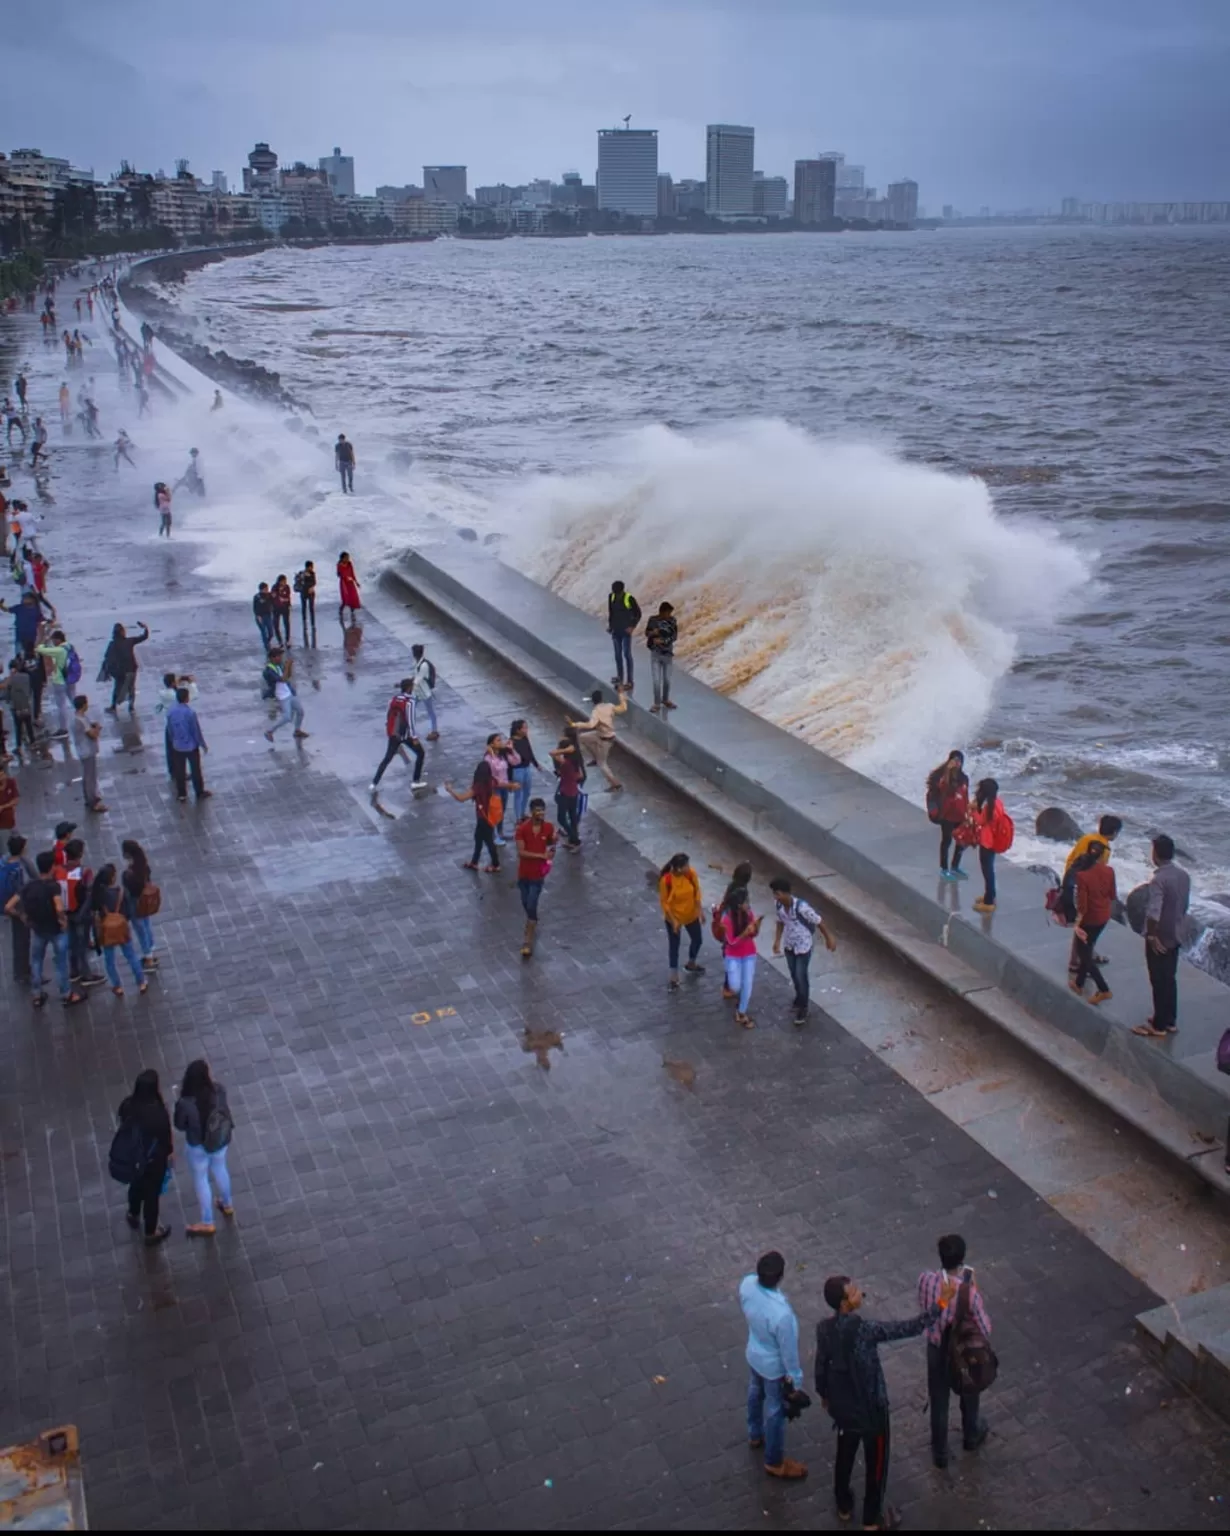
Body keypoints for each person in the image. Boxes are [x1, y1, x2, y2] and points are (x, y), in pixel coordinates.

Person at [816, 1273, 956, 1532]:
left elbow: (821, 1366)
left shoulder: (824, 1329)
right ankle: (871, 1519)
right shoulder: (866, 1330)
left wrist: (824, 1394)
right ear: (845, 1303)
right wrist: (942, 1303)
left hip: (844, 1411)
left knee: (844, 1456)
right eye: (855, 1291)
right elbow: (910, 1327)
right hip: (872, 1412)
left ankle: (843, 1504)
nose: (860, 1293)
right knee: (876, 1465)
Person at [918, 1234, 991, 1469]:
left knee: (939, 1401)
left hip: (936, 1347)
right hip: (962, 1351)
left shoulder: (925, 1280)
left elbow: (924, 1308)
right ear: (962, 1259)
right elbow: (984, 1328)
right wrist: (974, 1290)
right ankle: (971, 1434)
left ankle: (940, 1452)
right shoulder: (967, 1291)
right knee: (969, 1392)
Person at [739, 1251, 807, 1481]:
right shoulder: (781, 1315)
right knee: (775, 1409)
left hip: (754, 1353)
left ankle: (754, 1433)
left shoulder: (747, 1285)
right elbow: (789, 1353)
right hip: (773, 1366)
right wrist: (795, 1380)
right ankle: (774, 1460)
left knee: (754, 1391)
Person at [4, 850, 85, 1008]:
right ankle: (66, 993)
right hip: (55, 930)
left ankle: (36, 994)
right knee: (61, 962)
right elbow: (59, 907)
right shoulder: (52, 887)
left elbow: (8, 906)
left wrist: (22, 916)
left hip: (38, 929)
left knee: (36, 961)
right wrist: (63, 921)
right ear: (52, 867)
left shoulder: (29, 885)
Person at [1133, 833, 1191, 1039]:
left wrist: (1151, 936)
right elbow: (1184, 905)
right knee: (1170, 978)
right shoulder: (1184, 876)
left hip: (1160, 937)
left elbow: (1153, 912)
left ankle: (1158, 1025)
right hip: (1177, 933)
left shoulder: (1159, 879)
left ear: (1155, 854)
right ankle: (1170, 1020)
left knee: (1158, 979)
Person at [174, 1059, 235, 1237]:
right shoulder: (219, 1090)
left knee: (201, 1180)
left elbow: (179, 1125)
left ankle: (207, 1222)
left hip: (197, 1146)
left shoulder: (185, 1102)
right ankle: (227, 1204)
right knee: (220, 1168)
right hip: (219, 1141)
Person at [115, 1069, 173, 1247]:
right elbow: (165, 1139)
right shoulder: (158, 1113)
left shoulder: (127, 1105)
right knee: (151, 1195)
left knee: (136, 1185)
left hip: (134, 1157)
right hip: (154, 1161)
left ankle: (133, 1213)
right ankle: (151, 1231)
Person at [770, 875, 837, 1025]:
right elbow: (780, 922)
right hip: (789, 945)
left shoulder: (801, 907)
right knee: (794, 974)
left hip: (803, 945)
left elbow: (819, 921)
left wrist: (829, 938)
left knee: (801, 975)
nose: (776, 897)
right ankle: (799, 997)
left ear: (786, 893)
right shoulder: (779, 906)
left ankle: (803, 1007)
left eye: (778, 893)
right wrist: (777, 941)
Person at [1069, 840, 1115, 1004]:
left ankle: (1104, 989)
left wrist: (1077, 923)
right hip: (1104, 916)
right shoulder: (1109, 871)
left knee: (1084, 954)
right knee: (1088, 947)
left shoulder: (1083, 876)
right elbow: (1112, 894)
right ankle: (1079, 983)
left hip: (1090, 919)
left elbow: (1082, 905)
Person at [91, 863, 147, 996]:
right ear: (112, 878)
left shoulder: (98, 895)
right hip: (121, 927)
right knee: (131, 955)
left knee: (109, 960)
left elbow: (93, 911)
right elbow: (128, 912)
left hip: (106, 930)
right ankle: (141, 982)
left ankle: (117, 986)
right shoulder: (120, 892)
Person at [514, 797, 557, 958]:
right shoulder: (522, 830)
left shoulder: (548, 827)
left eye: (542, 810)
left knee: (532, 903)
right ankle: (532, 920)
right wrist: (541, 855)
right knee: (526, 903)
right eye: (537, 811)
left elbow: (551, 844)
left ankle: (527, 939)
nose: (540, 813)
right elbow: (521, 852)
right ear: (532, 812)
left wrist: (553, 845)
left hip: (537, 875)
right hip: (524, 874)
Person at [447, 753, 502, 873]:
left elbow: (461, 798)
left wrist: (450, 790)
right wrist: (511, 785)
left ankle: (496, 864)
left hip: (483, 817)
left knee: (488, 841)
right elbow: (501, 783)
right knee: (478, 838)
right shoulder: (491, 782)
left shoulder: (478, 786)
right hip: (490, 816)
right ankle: (474, 862)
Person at [658, 852, 705, 990]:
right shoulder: (666, 881)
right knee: (674, 945)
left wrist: (700, 911)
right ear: (678, 868)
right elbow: (665, 903)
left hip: (690, 915)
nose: (689, 867)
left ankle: (691, 962)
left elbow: (697, 892)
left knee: (698, 939)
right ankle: (673, 975)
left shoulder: (690, 874)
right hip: (674, 918)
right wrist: (673, 921)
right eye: (686, 865)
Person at [567, 687, 628, 793]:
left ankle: (615, 784)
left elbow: (591, 724)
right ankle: (595, 757)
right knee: (581, 738)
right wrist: (621, 694)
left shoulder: (596, 711)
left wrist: (575, 724)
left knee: (602, 764)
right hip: (601, 734)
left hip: (605, 739)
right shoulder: (609, 706)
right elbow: (623, 708)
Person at [370, 679, 426, 792]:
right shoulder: (410, 701)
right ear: (409, 688)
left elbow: (389, 714)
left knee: (387, 758)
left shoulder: (394, 699)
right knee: (421, 753)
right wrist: (414, 737)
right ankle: (415, 781)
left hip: (393, 734)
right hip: (405, 735)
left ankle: (374, 783)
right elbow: (410, 721)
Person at [719, 886, 761, 1028]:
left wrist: (756, 927)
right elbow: (731, 942)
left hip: (749, 953)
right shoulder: (727, 919)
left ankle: (742, 1012)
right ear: (738, 904)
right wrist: (745, 933)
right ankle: (740, 1001)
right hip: (733, 955)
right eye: (745, 901)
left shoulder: (748, 914)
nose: (748, 903)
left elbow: (754, 934)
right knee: (735, 986)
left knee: (747, 984)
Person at [926, 750, 970, 880]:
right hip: (946, 814)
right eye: (955, 760)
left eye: (960, 761)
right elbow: (943, 788)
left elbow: (965, 796)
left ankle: (955, 866)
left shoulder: (964, 778)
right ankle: (944, 869)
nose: (957, 763)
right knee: (947, 841)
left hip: (960, 814)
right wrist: (947, 772)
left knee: (961, 840)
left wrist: (968, 813)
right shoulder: (941, 777)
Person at [165, 687, 211, 802]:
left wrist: (173, 740)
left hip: (177, 746)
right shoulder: (190, 713)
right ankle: (199, 791)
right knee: (195, 770)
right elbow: (195, 731)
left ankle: (182, 794)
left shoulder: (171, 712)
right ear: (187, 698)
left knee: (180, 770)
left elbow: (169, 729)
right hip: (191, 746)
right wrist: (202, 744)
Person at [1, 833, 37, 984]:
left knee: (20, 939)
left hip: (6, 903)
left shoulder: (3, 861)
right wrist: (19, 913)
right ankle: (22, 972)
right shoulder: (19, 870)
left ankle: (22, 969)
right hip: (18, 907)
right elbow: (22, 890)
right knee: (22, 940)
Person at [969, 778, 1008, 915]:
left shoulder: (989, 809)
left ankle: (989, 902)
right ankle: (989, 895)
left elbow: (980, 821)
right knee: (989, 870)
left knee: (987, 871)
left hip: (987, 843)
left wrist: (973, 810)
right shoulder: (998, 803)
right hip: (993, 842)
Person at [121, 839, 159, 970]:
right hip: (144, 902)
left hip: (134, 903)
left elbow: (129, 891)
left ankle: (148, 958)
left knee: (140, 929)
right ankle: (151, 951)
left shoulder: (129, 874)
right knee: (147, 925)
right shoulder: (144, 866)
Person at [99, 620, 149, 714]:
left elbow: (107, 658)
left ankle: (113, 706)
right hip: (131, 669)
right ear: (122, 632)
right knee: (131, 688)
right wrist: (145, 628)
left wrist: (108, 671)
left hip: (119, 672)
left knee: (117, 688)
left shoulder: (112, 644)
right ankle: (131, 707)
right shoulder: (129, 641)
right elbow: (144, 637)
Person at [262, 646, 308, 742]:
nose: (281, 658)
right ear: (273, 658)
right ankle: (269, 731)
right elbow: (282, 679)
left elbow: (287, 676)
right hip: (282, 696)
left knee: (300, 712)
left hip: (289, 693)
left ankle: (297, 730)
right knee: (287, 717)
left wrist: (289, 667)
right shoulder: (268, 671)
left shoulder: (278, 666)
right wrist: (287, 667)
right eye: (279, 656)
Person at [71, 695, 107, 813]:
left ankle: (89, 797)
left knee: (88, 776)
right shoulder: (81, 720)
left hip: (83, 750)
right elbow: (92, 735)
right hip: (87, 751)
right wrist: (97, 729)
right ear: (83, 705)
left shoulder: (77, 717)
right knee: (90, 777)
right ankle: (93, 802)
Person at [549, 735, 585, 852]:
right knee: (572, 816)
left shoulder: (565, 763)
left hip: (565, 791)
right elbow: (580, 775)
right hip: (573, 791)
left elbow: (552, 753)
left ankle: (575, 840)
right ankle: (572, 840)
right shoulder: (575, 761)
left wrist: (562, 750)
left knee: (561, 818)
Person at [607, 580, 642, 691]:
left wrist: (632, 626)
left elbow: (638, 613)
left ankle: (630, 682)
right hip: (616, 631)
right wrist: (610, 626)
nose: (616, 595)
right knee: (618, 655)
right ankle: (620, 679)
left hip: (626, 631)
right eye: (615, 593)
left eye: (618, 593)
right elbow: (611, 613)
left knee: (627, 655)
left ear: (622, 591)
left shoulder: (629, 598)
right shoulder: (611, 597)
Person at [645, 600, 678, 713]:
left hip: (668, 654)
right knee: (656, 681)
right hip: (656, 654)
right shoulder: (653, 620)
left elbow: (674, 636)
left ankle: (665, 700)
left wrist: (663, 641)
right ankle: (656, 703)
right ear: (662, 612)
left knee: (667, 680)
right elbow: (647, 633)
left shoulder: (672, 621)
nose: (669, 615)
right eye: (668, 613)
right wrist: (653, 633)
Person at [507, 719, 540, 824]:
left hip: (526, 768)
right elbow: (509, 761)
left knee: (527, 792)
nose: (526, 730)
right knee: (518, 794)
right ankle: (518, 817)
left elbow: (529, 751)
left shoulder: (525, 738)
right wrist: (509, 779)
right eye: (524, 728)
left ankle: (522, 812)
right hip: (517, 770)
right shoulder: (511, 742)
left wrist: (536, 764)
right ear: (518, 730)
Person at [4, 656, 35, 762]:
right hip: (26, 704)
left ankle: (19, 746)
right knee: (28, 724)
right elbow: (30, 690)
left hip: (16, 707)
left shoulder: (10, 680)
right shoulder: (26, 676)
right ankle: (32, 742)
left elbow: (7, 694)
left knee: (18, 727)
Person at [411, 644, 439, 738]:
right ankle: (410, 728)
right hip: (418, 692)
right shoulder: (417, 663)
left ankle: (434, 731)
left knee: (430, 712)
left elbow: (418, 679)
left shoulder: (424, 665)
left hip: (425, 692)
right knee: (411, 709)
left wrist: (408, 685)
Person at [294, 561, 317, 645]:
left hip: (311, 593)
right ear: (307, 567)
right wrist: (302, 578)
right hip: (304, 593)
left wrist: (311, 586)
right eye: (311, 567)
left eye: (312, 567)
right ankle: (304, 622)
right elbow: (299, 582)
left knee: (311, 608)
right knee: (304, 608)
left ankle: (313, 623)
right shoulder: (301, 573)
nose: (312, 568)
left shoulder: (312, 573)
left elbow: (314, 582)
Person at [337, 552, 361, 625]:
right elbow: (340, 574)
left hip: (350, 583)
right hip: (344, 583)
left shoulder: (350, 564)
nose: (348, 559)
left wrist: (356, 582)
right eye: (346, 558)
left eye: (348, 557)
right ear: (342, 558)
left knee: (353, 597)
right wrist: (346, 577)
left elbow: (352, 573)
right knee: (345, 598)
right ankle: (341, 610)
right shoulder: (339, 565)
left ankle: (352, 611)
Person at [271, 574, 293, 647]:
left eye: (285, 581)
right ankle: (280, 641)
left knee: (286, 624)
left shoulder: (287, 587)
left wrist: (289, 604)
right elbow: (273, 597)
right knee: (276, 625)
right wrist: (280, 596)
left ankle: (287, 640)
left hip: (285, 608)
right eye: (283, 581)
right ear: (280, 581)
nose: (285, 582)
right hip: (276, 608)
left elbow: (288, 597)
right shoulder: (274, 587)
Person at [252, 582, 275, 648]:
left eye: (267, 588)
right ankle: (267, 646)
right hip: (260, 616)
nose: (267, 590)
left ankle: (267, 641)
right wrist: (258, 616)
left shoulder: (269, 595)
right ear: (261, 589)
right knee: (263, 632)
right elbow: (255, 608)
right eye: (266, 589)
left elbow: (273, 602)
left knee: (271, 632)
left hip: (268, 615)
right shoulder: (257, 597)